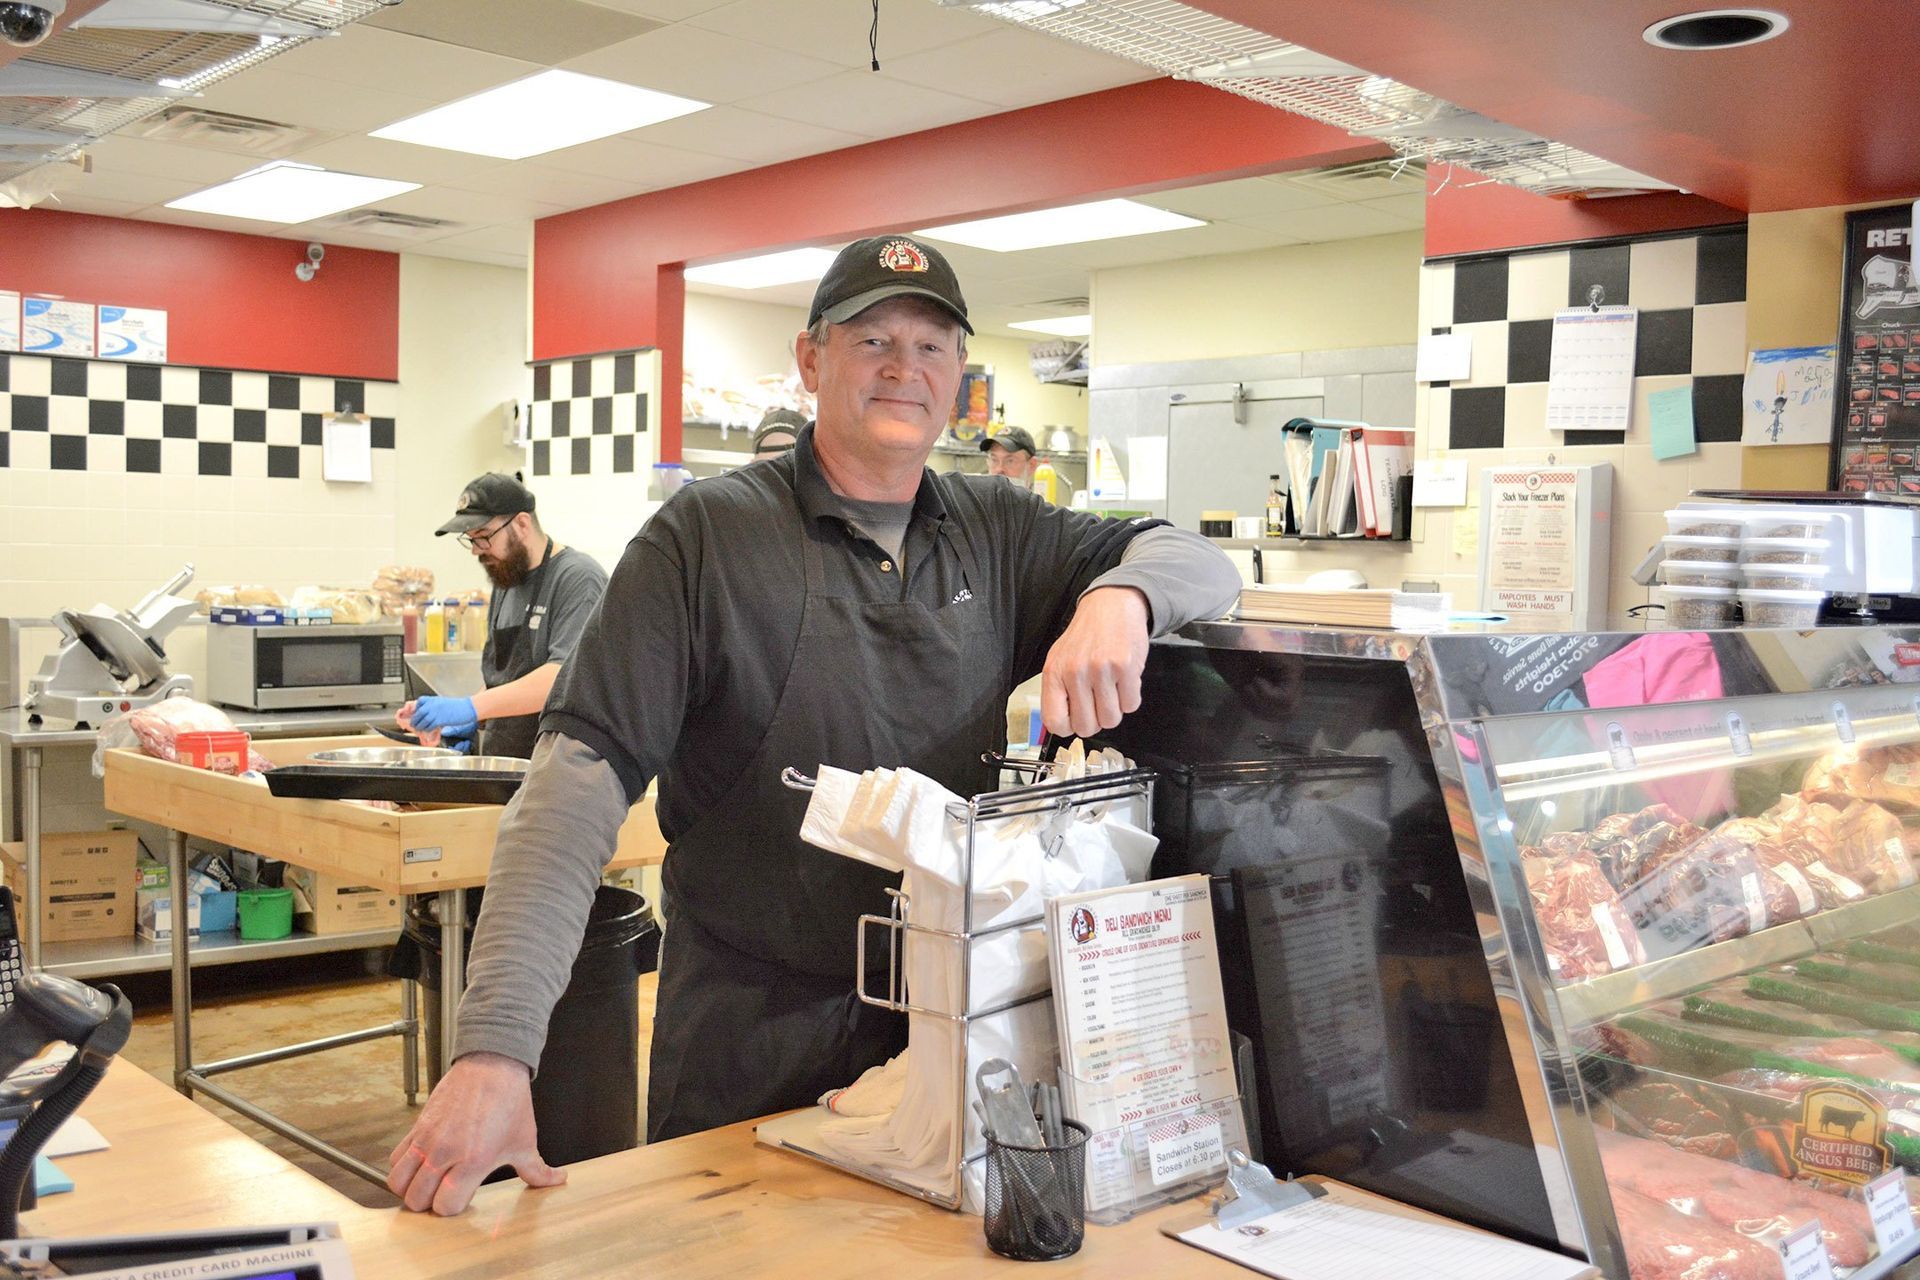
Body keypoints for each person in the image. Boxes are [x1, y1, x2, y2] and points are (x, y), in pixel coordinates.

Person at [388, 233, 1240, 1215]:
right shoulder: (703, 539)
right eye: (872, 338)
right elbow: (571, 790)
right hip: (748, 1038)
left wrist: (1120, 598)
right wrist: (497, 1052)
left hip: (940, 1033)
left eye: (931, 347)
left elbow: (1198, 560)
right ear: (811, 358)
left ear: (961, 379)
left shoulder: (997, 530)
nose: (902, 368)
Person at [400, 473, 609, 759]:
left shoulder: (578, 578)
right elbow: (504, 677)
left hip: (560, 767)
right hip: (507, 763)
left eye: (484, 537)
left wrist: (471, 705)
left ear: (522, 524)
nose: (476, 550)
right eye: (471, 540)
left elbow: (562, 677)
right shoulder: (506, 580)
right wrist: (472, 719)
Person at [980, 424, 1045, 488]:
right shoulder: (979, 497)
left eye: (1010, 461)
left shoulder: (1042, 497)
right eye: (994, 460)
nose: (999, 469)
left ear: (1031, 465)